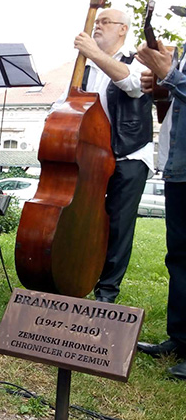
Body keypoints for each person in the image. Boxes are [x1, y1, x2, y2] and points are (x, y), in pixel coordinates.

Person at [52, 8, 153, 303]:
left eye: (105, 22)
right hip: (91, 160)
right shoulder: (84, 66)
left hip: (128, 155)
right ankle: (73, 280)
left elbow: (133, 85)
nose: (97, 27)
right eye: (96, 22)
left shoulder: (137, 60)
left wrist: (93, 53)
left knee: (119, 225)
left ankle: (107, 293)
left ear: (122, 29)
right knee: (84, 221)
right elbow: (65, 103)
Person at [134, 32, 186, 379]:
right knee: (179, 255)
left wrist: (169, 71)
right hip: (178, 166)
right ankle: (180, 338)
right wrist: (161, 88)